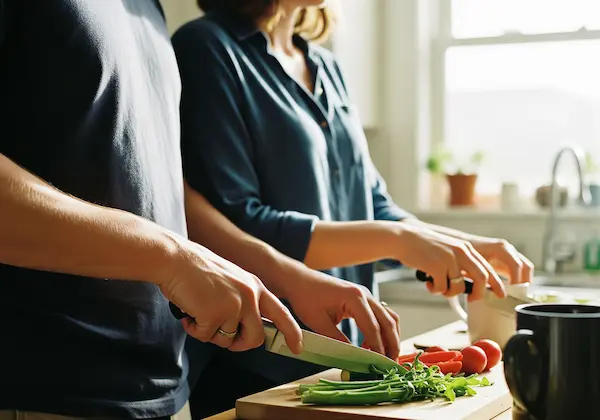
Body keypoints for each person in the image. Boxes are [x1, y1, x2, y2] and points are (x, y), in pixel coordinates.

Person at [0, 1, 402, 419]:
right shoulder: (202, 43)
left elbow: (168, 191)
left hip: (160, 390)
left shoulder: (147, 10)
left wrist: (287, 277)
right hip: (40, 392)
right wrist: (172, 258)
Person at [172, 0, 534, 415]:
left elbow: (374, 203)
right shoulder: (205, 48)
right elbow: (230, 225)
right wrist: (400, 240)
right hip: (262, 360)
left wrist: (465, 247)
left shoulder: (327, 66)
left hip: (349, 358)